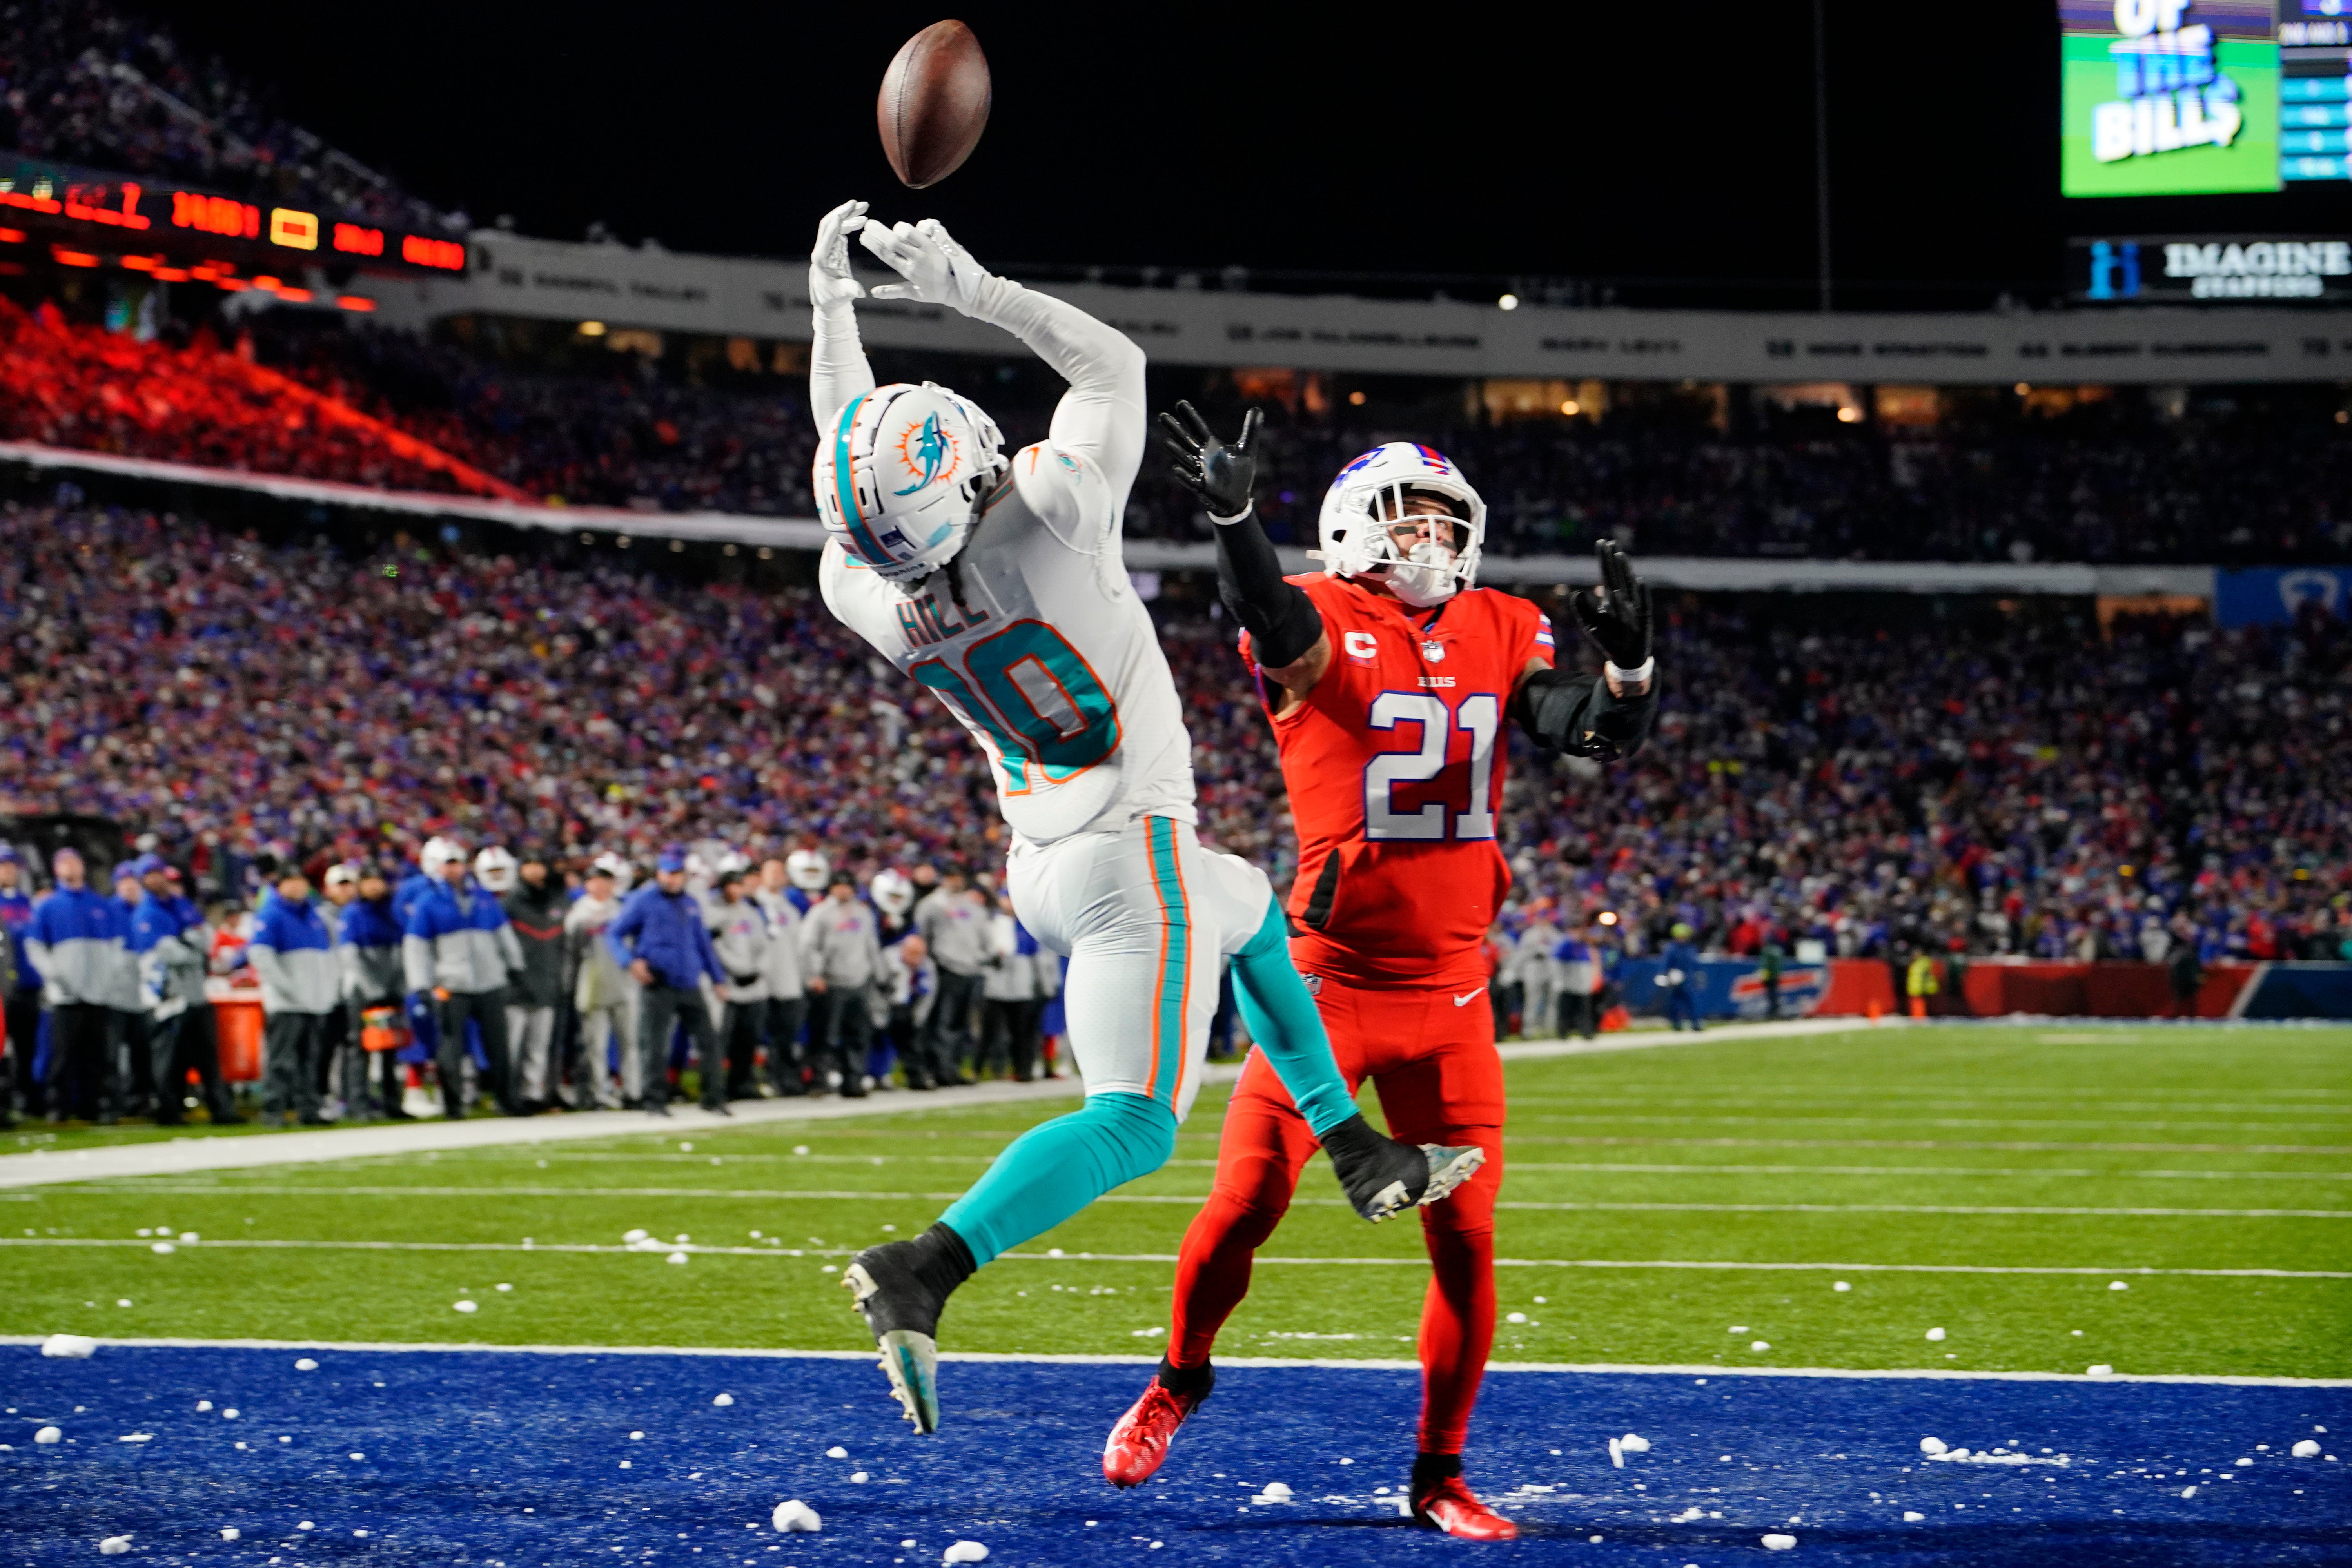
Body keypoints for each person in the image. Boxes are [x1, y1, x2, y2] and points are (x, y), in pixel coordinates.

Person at [808, 201, 1475, 1434]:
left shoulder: (864, 589)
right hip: (1128, 858)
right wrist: (968, 285)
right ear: (967, 473)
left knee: (1248, 904)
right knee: (1130, 1122)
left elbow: (846, 453)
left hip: (1043, 859)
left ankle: (1352, 1146)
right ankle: (926, 1267)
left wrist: (831, 309)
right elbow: (1112, 364)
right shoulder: (1046, 511)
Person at [1102, 410, 1658, 1538]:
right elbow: (1267, 613)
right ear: (1357, 525)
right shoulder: (1323, 614)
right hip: (1328, 985)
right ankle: (1178, 1377)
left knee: (1468, 1242)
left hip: (1452, 993)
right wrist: (1233, 517)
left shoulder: (1505, 624)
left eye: (1450, 519)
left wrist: (1634, 666)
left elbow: (1586, 730)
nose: (1433, 535)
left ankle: (1440, 1475)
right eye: (1413, 514)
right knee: (1246, 1201)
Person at [403, 837, 525, 1120]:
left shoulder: (483, 898)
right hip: (451, 984)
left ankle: (507, 1100)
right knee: (451, 1046)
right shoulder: (429, 902)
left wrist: (515, 966)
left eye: (457, 863)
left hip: (489, 981)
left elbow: (502, 934)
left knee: (499, 1046)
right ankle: (454, 1104)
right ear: (439, 868)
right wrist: (421, 984)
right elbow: (416, 948)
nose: (454, 869)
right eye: (449, 864)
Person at [606, 847, 728, 1117]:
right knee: (655, 1044)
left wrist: (718, 979)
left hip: (689, 982)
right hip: (658, 982)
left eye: (676, 874)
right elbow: (614, 934)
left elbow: (703, 944)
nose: (671, 879)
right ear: (659, 873)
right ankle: (655, 1101)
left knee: (709, 1041)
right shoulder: (643, 900)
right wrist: (629, 961)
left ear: (683, 875)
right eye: (667, 873)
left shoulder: (691, 903)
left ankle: (713, 1099)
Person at [26, 848, 125, 1123]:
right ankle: (59, 1107)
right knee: (62, 1055)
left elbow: (118, 946)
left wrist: (109, 976)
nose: (70, 867)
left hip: (98, 992)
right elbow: (35, 947)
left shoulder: (100, 904)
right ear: (57, 870)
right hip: (66, 995)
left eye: (75, 862)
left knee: (95, 1054)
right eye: (64, 863)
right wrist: (54, 975)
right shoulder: (48, 906)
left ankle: (91, 1107)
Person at [133, 860, 232, 1125]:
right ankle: (169, 1110)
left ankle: (221, 1109)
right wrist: (191, 946)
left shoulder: (181, 904)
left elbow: (205, 937)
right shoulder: (146, 913)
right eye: (149, 876)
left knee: (207, 1055)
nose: (156, 880)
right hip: (168, 996)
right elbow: (167, 952)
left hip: (196, 992)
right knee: (169, 1057)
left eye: (158, 874)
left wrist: (189, 944)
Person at [248, 867, 340, 1126]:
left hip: (314, 1001)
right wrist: (287, 988)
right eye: (291, 881)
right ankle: (273, 1110)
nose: (298, 887)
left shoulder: (314, 915)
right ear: (280, 886)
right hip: (287, 1003)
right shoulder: (272, 914)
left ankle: (308, 1109)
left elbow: (327, 957)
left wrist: (327, 991)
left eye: (301, 881)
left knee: (310, 1060)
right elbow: (261, 956)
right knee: (281, 1060)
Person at [338, 867, 414, 1120]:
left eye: (377, 881)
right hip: (364, 993)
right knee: (361, 1047)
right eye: (368, 882)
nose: (373, 887)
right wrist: (371, 988)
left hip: (391, 989)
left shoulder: (394, 912)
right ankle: (358, 1105)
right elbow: (350, 956)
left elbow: (403, 948)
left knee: (392, 1047)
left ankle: (393, 1104)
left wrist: (399, 984)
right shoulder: (353, 913)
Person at [800, 871, 883, 1096]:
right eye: (839, 886)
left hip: (859, 980)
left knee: (858, 1035)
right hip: (831, 981)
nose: (844, 891)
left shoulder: (863, 913)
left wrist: (879, 974)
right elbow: (808, 946)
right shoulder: (820, 913)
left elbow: (872, 946)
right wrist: (814, 975)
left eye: (847, 887)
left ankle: (853, 1081)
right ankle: (820, 1081)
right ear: (831, 889)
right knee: (826, 1036)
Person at [500, 849, 567, 1112]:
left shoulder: (558, 901)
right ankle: (508, 1096)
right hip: (515, 986)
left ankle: (533, 1095)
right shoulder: (509, 903)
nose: (535, 870)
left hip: (548, 984)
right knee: (511, 1047)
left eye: (539, 864)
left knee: (539, 1048)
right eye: (529, 865)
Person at [566, 858, 635, 1109]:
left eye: (604, 880)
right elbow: (571, 952)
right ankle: (596, 1093)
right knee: (596, 1044)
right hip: (592, 981)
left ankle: (633, 1091)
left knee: (630, 1041)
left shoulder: (623, 908)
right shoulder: (578, 913)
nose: (599, 886)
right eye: (594, 880)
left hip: (624, 982)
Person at [913, 866, 986, 1086]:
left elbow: (981, 934)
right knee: (941, 1023)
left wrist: (982, 956)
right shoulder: (932, 904)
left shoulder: (971, 905)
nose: (957, 882)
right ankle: (938, 1069)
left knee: (960, 1024)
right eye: (952, 877)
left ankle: (952, 1067)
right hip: (944, 969)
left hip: (970, 968)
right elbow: (921, 935)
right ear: (944, 879)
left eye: (959, 877)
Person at [704, 866, 769, 1102]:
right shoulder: (712, 914)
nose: (736, 890)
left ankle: (742, 1083)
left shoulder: (751, 913)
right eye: (732, 885)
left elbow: (764, 945)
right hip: (726, 986)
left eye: (739, 885)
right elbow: (714, 949)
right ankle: (715, 1086)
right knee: (720, 1040)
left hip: (753, 986)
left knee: (748, 1040)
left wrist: (756, 971)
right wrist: (738, 971)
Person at [753, 856, 808, 1098]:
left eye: (780, 871)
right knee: (758, 1036)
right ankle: (765, 1078)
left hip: (790, 980)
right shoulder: (754, 904)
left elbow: (800, 946)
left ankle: (785, 1078)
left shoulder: (790, 908)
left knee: (787, 1035)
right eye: (771, 871)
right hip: (761, 981)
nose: (777, 875)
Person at [0, 846, 34, 1122]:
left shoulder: (28, 904)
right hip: (2, 989)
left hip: (27, 986)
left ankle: (24, 1099)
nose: (9, 870)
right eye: (4, 865)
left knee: (27, 1048)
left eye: (12, 866)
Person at [1661, 923, 1705, 1032]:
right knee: (1675, 1002)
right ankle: (1677, 1024)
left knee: (1692, 1002)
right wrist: (1663, 974)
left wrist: (1699, 973)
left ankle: (1695, 1023)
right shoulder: (1671, 949)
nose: (1682, 939)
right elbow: (1665, 963)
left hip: (1689, 979)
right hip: (1675, 980)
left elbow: (1695, 963)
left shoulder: (1691, 948)